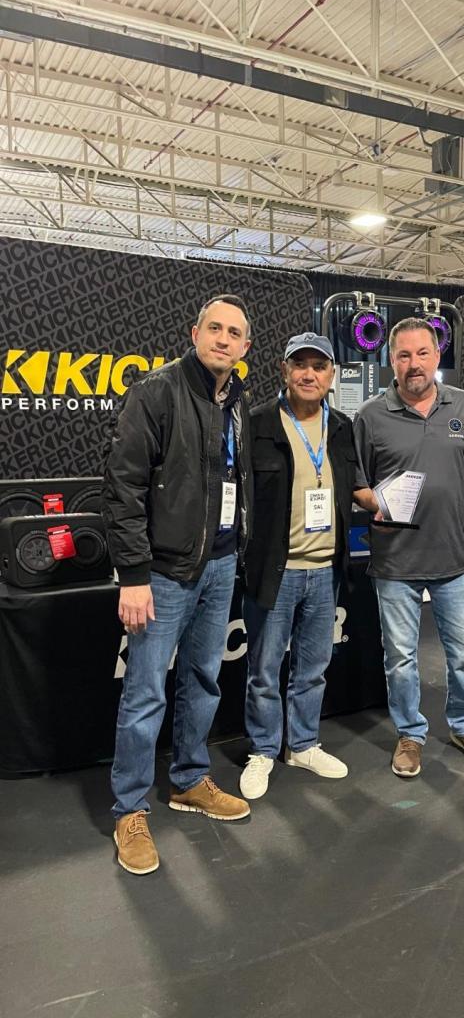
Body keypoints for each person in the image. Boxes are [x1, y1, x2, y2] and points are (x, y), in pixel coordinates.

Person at [102, 294, 253, 875]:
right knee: (145, 693)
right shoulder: (158, 391)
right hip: (162, 574)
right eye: (213, 327)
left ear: (244, 347)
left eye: (233, 332)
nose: (222, 338)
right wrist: (133, 575)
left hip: (219, 565)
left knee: (202, 678)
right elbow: (124, 485)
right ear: (196, 333)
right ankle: (129, 808)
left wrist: (235, 548)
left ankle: (190, 780)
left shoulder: (234, 399)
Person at [353, 318, 464, 778]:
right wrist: (382, 503)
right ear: (391, 359)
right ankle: (410, 733)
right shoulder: (371, 415)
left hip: (452, 557)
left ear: (437, 357)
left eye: (423, 354)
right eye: (404, 355)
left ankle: (463, 724)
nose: (414, 364)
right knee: (402, 659)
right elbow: (357, 485)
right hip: (395, 560)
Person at [240, 333, 360, 800]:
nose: (309, 374)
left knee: (313, 667)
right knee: (264, 670)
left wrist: (395, 503)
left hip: (326, 568)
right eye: (300, 365)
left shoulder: (343, 427)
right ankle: (264, 750)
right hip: (276, 568)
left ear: (331, 376)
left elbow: (354, 489)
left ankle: (304, 743)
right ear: (283, 370)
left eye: (319, 366)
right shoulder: (256, 424)